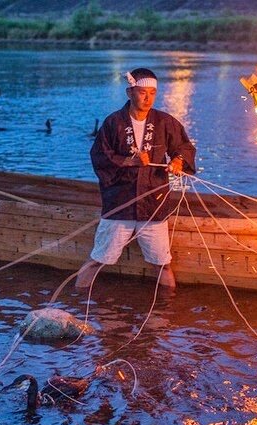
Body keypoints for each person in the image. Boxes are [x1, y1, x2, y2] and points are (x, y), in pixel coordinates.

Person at [75, 68, 196, 289]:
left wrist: (178, 161)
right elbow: (100, 156)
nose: (147, 98)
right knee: (96, 261)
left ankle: (166, 316)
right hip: (120, 204)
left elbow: (184, 148)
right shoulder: (114, 123)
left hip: (153, 204)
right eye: (142, 92)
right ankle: (76, 303)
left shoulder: (164, 122)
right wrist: (131, 161)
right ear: (130, 92)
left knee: (163, 265)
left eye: (152, 93)